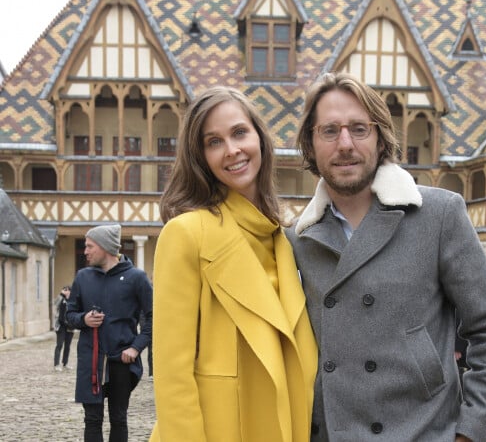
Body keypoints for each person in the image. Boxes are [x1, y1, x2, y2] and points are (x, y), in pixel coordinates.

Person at [286, 72, 486, 442]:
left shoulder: (439, 214)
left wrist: (471, 431)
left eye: (359, 129)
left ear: (380, 139)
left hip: (424, 431)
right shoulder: (297, 238)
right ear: (310, 145)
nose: (345, 143)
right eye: (329, 131)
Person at [148, 87, 317, 442]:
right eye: (214, 142)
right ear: (200, 158)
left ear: (259, 137)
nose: (232, 150)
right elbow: (172, 376)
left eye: (239, 132)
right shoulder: (186, 234)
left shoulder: (284, 237)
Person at [66, 224, 153, 442]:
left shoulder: (137, 278)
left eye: (89, 246)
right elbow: (69, 315)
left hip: (121, 362)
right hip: (91, 359)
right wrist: (84, 319)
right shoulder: (83, 277)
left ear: (105, 247)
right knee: (92, 420)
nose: (85, 251)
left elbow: (155, 317)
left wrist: (136, 347)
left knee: (118, 418)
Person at [53, 285, 74, 371]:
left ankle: (65, 363)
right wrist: (61, 294)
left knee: (67, 346)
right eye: (65, 290)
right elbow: (55, 303)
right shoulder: (61, 299)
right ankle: (56, 364)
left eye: (68, 290)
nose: (66, 291)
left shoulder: (72, 301)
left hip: (70, 326)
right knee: (59, 345)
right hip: (61, 326)